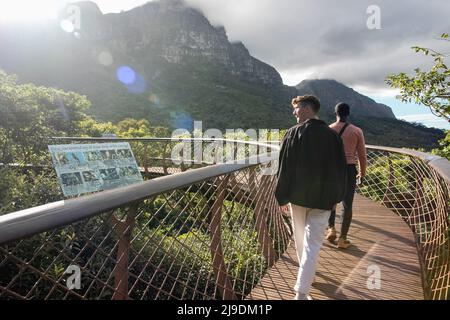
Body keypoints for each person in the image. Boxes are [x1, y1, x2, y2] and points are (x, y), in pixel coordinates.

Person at [275, 95, 347, 300]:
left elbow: (284, 168)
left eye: (296, 108)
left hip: (297, 198)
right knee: (313, 244)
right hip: (323, 200)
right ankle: (302, 289)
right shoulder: (333, 136)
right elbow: (339, 170)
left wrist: (282, 197)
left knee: (300, 240)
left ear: (307, 109)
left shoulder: (292, 133)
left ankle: (303, 287)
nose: (294, 112)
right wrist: (336, 197)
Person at [326, 102, 367, 249]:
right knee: (347, 205)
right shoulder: (356, 131)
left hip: (332, 170)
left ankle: (331, 229)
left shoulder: (328, 130)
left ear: (335, 113)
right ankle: (343, 239)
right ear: (348, 113)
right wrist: (362, 175)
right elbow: (362, 156)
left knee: (331, 201)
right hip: (349, 170)